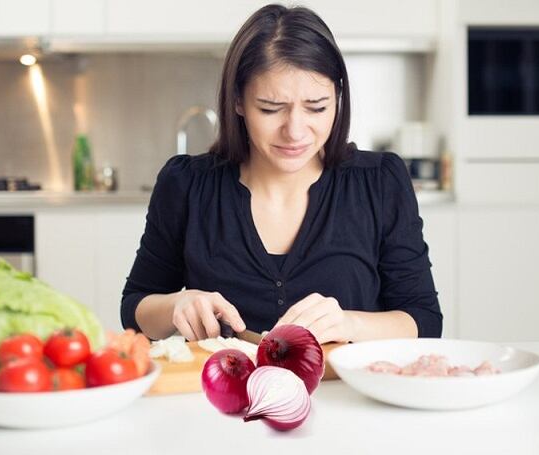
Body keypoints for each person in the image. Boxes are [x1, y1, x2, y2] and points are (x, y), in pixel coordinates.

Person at [121, 4, 442, 344]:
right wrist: (176, 304)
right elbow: (136, 308)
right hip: (224, 396)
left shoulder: (379, 182)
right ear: (237, 101)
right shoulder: (186, 185)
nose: (295, 131)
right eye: (271, 109)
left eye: (317, 107)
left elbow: (423, 319)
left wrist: (350, 324)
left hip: (347, 395)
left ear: (338, 98)